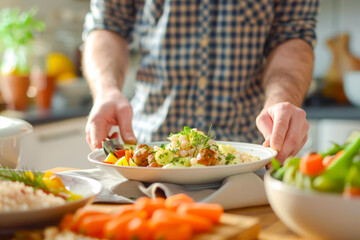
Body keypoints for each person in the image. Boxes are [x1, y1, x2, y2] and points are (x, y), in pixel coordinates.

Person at [82, 0, 319, 163]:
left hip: (249, 157)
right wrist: (107, 90)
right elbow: (106, 25)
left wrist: (280, 101)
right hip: (148, 154)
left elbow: (293, 36)